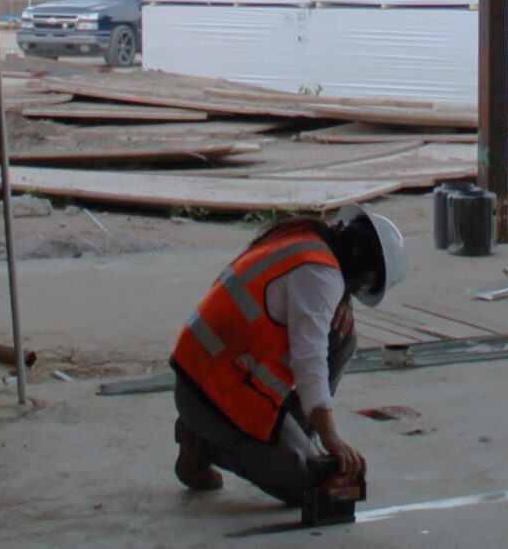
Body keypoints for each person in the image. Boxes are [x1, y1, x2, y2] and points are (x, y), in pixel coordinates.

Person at [169, 201, 409, 505]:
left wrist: (341, 298)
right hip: (209, 392)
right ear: (360, 258)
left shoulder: (308, 241)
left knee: (341, 335)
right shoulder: (320, 274)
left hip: (223, 378)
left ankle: (290, 435)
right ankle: (200, 441)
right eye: (365, 283)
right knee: (311, 485)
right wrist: (330, 436)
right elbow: (309, 359)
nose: (360, 290)